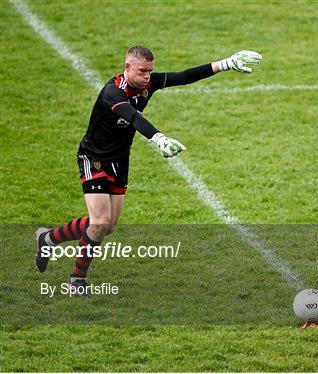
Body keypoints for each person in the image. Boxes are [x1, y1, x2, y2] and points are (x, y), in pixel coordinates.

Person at [35, 46, 262, 296]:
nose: (147, 77)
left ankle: (48, 238)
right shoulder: (112, 93)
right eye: (142, 71)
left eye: (150, 71)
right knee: (99, 222)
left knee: (106, 226)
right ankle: (77, 280)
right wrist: (160, 139)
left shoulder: (148, 83)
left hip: (120, 161)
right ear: (128, 67)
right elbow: (133, 117)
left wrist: (226, 63)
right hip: (94, 158)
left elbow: (185, 76)